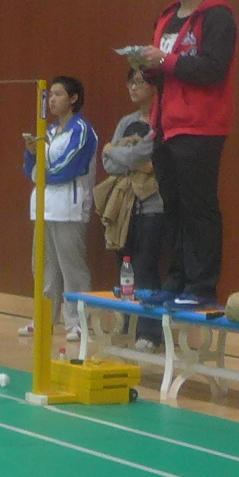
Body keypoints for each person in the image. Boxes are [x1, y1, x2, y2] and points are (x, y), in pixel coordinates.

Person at [123, 0, 236, 304]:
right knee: (172, 205)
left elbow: (213, 69)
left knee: (198, 207)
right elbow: (164, 72)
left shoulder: (217, 16)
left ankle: (201, 286)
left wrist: (165, 61)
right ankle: (177, 279)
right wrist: (147, 67)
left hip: (200, 125)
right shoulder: (167, 17)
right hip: (166, 124)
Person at [22, 76, 100, 327]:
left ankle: (77, 323)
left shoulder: (82, 131)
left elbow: (68, 168)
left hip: (69, 209)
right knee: (44, 268)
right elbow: (30, 169)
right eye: (50, 95)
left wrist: (40, 173)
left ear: (73, 98)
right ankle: (45, 318)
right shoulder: (48, 131)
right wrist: (31, 153)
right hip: (43, 208)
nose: (52, 100)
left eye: (58, 94)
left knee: (72, 269)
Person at [100, 66, 164, 347]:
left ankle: (149, 333)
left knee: (146, 267)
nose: (133, 87)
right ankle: (127, 325)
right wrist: (131, 159)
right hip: (124, 205)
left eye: (139, 82)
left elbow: (152, 158)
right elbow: (109, 163)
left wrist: (116, 150)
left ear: (154, 85)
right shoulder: (126, 121)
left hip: (153, 205)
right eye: (130, 82)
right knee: (124, 266)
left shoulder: (162, 121)